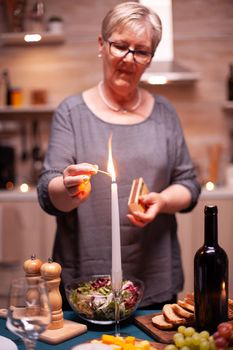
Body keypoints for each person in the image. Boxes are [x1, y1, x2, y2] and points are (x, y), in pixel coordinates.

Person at [37, 1, 201, 309]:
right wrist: (67, 187)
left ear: (150, 58)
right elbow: (49, 193)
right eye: (120, 46)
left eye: (141, 51)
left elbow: (189, 184)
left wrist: (163, 201)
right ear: (101, 44)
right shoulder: (72, 113)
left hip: (154, 277)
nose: (129, 59)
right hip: (85, 282)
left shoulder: (165, 114)